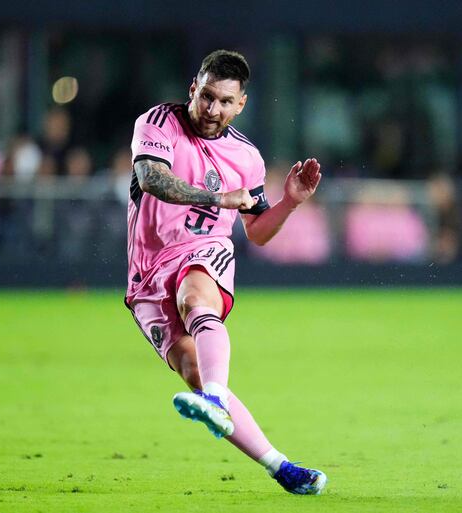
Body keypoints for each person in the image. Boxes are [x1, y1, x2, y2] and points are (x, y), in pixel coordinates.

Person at [125, 50, 326, 495]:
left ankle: (214, 399)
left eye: (225, 102)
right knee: (195, 372)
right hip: (146, 277)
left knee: (196, 298)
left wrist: (289, 201)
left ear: (241, 105)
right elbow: (153, 178)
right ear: (193, 88)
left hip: (204, 251)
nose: (212, 110)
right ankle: (281, 467)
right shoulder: (157, 122)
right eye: (207, 96)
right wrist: (220, 200)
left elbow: (256, 232)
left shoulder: (246, 158)